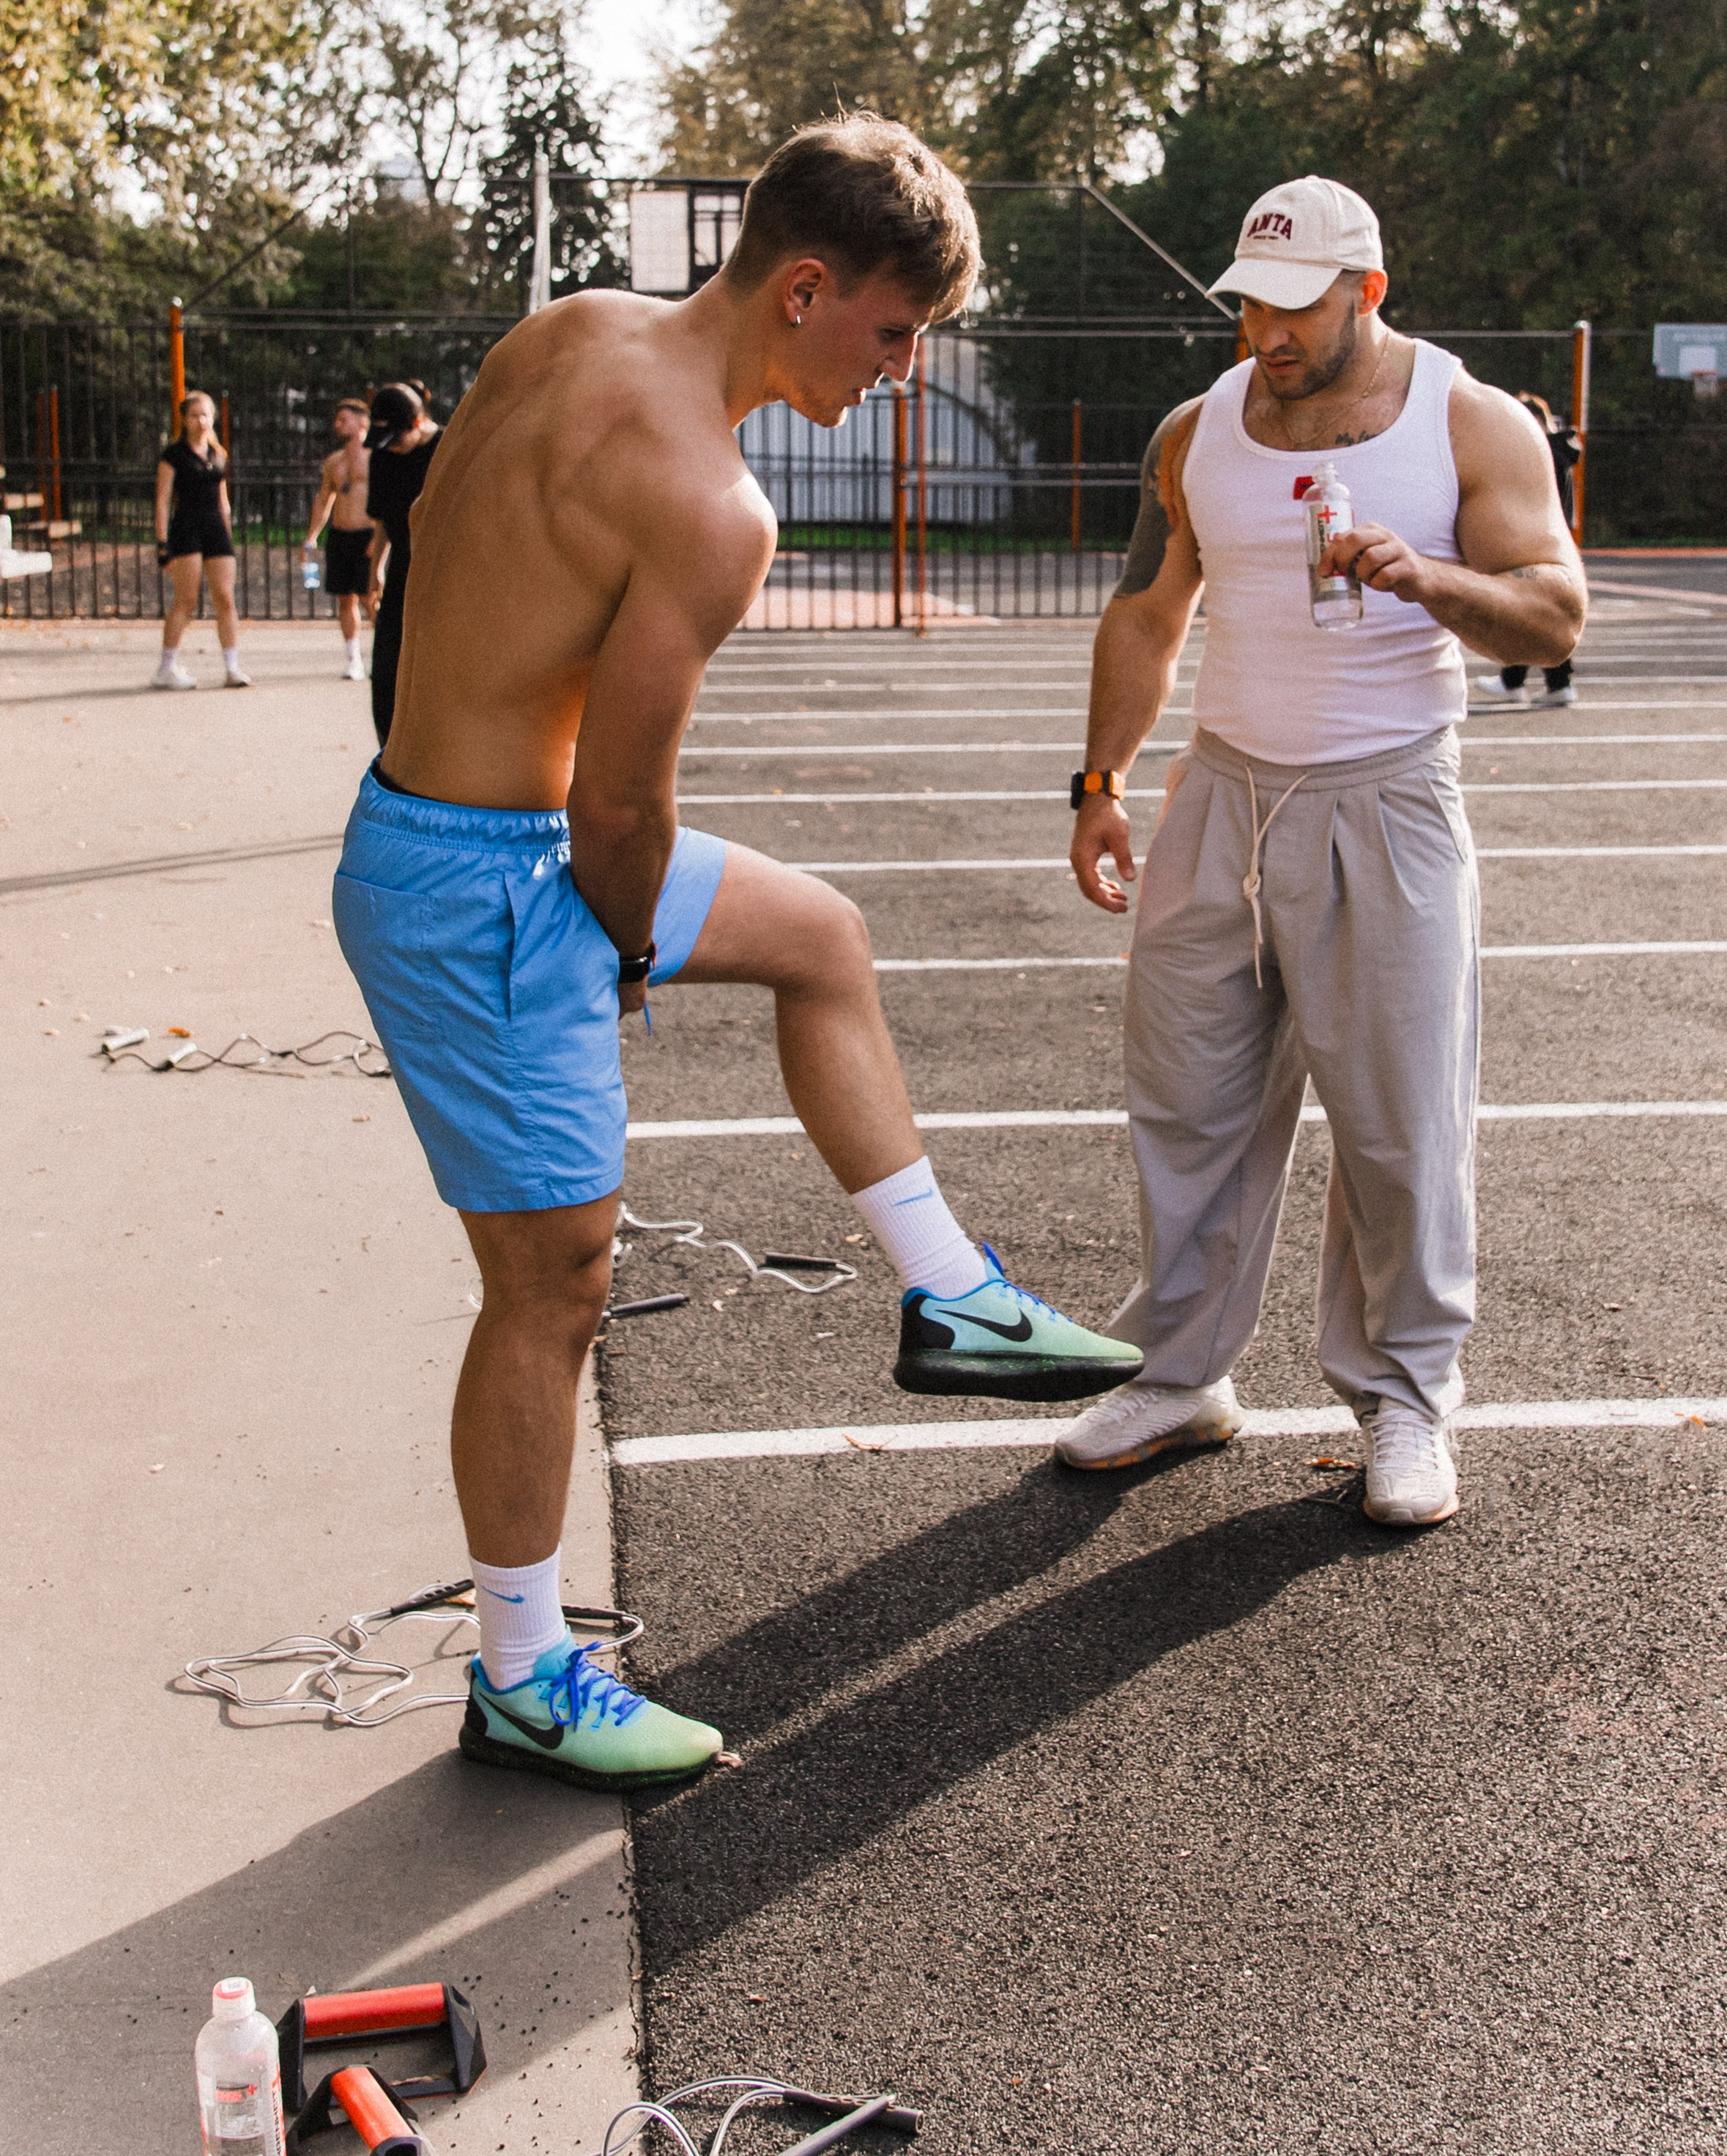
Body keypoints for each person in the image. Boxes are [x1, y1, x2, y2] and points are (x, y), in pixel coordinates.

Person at [330, 116, 1140, 1793]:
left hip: (479, 838)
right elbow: (622, 806)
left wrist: (497, 797)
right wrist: (614, 936)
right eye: (896, 331)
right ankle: (521, 1671)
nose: (901, 370)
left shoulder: (566, 327)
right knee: (552, 1287)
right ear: (802, 290)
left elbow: (421, 563)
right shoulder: (711, 501)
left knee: (819, 936)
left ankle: (950, 1295)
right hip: (503, 882)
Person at [1055, 174, 1586, 1525]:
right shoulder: (1197, 430)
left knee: (1398, 1127)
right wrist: (1101, 783)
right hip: (1222, 798)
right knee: (1188, 1106)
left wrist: (1434, 580)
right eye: (1250, 305)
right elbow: (1142, 615)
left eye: (1295, 309)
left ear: (1369, 291)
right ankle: (1181, 1377)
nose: (1267, 335)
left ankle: (1406, 1400)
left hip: (1389, 798)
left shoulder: (1467, 421)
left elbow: (1556, 617)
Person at [1474, 393, 1582, 711]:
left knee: (1535, 612)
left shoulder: (1543, 452)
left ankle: (1544, 682)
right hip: (1548, 539)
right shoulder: (1556, 451)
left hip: (1540, 540)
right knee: (1534, 612)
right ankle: (1521, 680)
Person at [152, 391, 249, 691]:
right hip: (187, 528)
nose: (201, 420)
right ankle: (166, 669)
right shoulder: (174, 456)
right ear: (184, 419)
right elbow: (163, 501)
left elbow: (224, 502)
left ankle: (232, 667)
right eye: (195, 415)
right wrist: (162, 543)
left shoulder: (218, 454)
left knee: (225, 599)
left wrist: (227, 537)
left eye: (206, 414)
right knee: (187, 601)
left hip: (215, 528)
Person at [362, 382, 441, 747]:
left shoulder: (448, 448)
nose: (390, 448)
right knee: (388, 666)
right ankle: (391, 749)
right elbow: (382, 522)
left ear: (417, 423)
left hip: (444, 570)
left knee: (435, 663)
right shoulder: (383, 453)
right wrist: (375, 570)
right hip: (402, 569)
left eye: (396, 438)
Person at [302, 399, 376, 681]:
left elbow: (383, 501)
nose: (338, 424)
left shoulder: (375, 458)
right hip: (340, 535)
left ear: (362, 423)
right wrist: (311, 537)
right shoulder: (334, 462)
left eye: (344, 419)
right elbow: (324, 500)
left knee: (372, 599)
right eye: (337, 419)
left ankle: (383, 656)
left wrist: (380, 538)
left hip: (367, 535)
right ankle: (354, 658)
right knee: (345, 600)